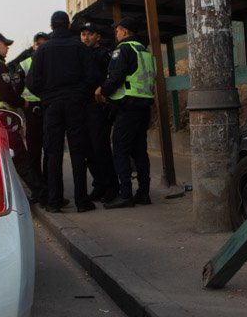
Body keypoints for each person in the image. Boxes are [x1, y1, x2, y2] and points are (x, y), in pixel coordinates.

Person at [27, 11, 95, 213]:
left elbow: (31, 82)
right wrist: (80, 93)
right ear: (68, 25)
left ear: (51, 26)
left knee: (53, 153)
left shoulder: (42, 51)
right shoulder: (79, 47)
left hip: (52, 106)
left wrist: (46, 95)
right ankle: (82, 201)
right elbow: (92, 77)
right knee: (77, 152)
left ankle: (55, 201)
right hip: (75, 104)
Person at [0, 32, 44, 203]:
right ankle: (42, 194)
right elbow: (6, 93)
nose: (7, 49)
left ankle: (9, 195)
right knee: (20, 156)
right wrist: (23, 103)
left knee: (1, 159)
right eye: (4, 45)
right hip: (3, 117)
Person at [96, 15, 154, 208]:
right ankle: (143, 193)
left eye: (117, 30)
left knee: (120, 150)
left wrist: (102, 91)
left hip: (127, 107)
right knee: (140, 151)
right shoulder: (143, 50)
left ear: (125, 31)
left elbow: (116, 76)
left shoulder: (123, 49)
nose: (116, 33)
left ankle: (126, 194)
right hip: (143, 105)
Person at [80, 22, 118, 202]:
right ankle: (99, 184)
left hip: (99, 106)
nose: (86, 37)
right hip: (85, 107)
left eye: (89, 34)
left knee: (100, 148)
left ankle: (111, 187)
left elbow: (112, 76)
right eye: (83, 34)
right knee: (88, 149)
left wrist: (102, 91)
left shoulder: (105, 54)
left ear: (98, 37)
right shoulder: (81, 54)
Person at [13, 32, 49, 198]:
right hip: (33, 110)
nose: (41, 47)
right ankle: (38, 187)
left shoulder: (53, 61)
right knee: (34, 150)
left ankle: (49, 185)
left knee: (50, 149)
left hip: (49, 108)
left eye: (44, 44)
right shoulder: (25, 64)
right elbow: (16, 89)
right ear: (34, 46)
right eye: (38, 44)